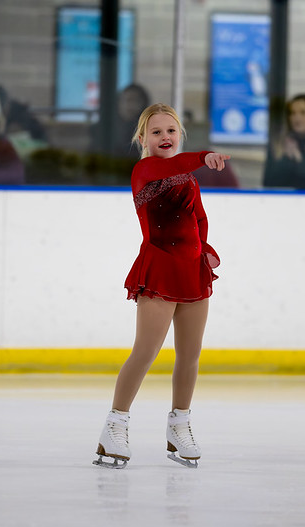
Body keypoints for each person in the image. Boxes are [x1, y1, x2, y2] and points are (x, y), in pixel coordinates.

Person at [93, 103, 230, 469]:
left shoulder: (190, 179)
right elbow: (174, 166)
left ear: (179, 134)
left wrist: (203, 252)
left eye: (171, 131)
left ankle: (179, 424)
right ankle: (115, 425)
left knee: (190, 354)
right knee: (146, 351)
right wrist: (204, 155)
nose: (165, 137)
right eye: (156, 132)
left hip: (192, 271)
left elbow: (199, 218)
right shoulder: (146, 170)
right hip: (159, 270)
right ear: (143, 139)